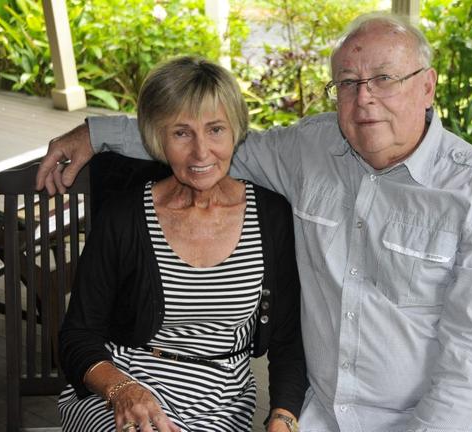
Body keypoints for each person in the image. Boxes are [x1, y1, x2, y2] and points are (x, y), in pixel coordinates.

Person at [41, 13, 472, 432]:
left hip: (422, 420)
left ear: (427, 85)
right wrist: (96, 132)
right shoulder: (309, 151)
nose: (364, 100)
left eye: (384, 79)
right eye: (348, 83)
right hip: (319, 412)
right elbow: (210, 143)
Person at [57, 56, 306, 432]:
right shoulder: (126, 216)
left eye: (216, 130)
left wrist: (283, 418)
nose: (201, 152)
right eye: (181, 133)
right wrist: (122, 390)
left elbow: (288, 339)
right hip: (122, 390)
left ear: (236, 130)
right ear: (158, 138)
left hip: (222, 403)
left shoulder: (270, 217)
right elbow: (78, 335)